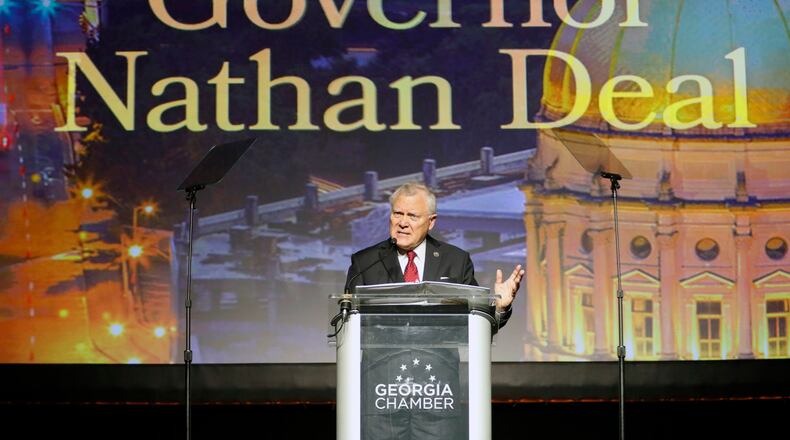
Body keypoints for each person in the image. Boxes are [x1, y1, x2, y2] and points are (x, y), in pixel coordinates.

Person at [345, 182, 524, 440]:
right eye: (397, 213)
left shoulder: (456, 261)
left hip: (437, 396)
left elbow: (477, 325)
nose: (402, 222)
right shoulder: (366, 262)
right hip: (382, 396)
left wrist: (500, 307)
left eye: (412, 216)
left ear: (431, 222)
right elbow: (349, 321)